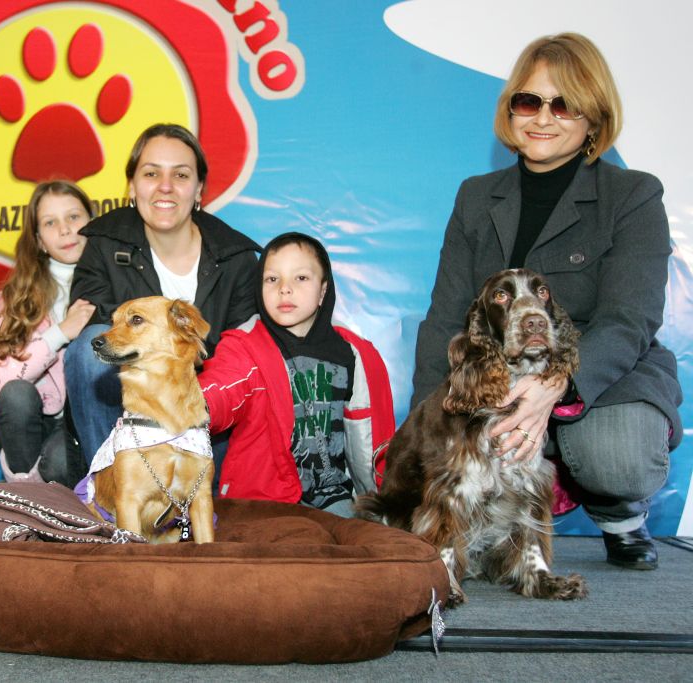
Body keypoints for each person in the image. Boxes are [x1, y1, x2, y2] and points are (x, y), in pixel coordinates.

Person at [412, 33, 682, 569]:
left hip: (599, 380)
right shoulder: (475, 195)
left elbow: (628, 318)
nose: (543, 117)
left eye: (564, 104)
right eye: (528, 101)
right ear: (511, 109)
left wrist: (553, 388)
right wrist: (423, 431)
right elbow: (446, 316)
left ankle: (619, 512)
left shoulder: (633, 196)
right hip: (495, 379)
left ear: (594, 119)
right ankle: (506, 518)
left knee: (614, 457)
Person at [65, 123, 260, 463]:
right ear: (132, 185)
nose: (165, 187)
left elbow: (243, 351)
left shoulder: (237, 258)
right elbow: (96, 329)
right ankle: (110, 488)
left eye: (181, 176)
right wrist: (173, 353)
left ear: (199, 189)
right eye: (152, 173)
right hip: (128, 413)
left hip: (205, 410)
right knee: (89, 346)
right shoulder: (103, 246)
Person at [198, 233, 395, 516]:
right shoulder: (245, 346)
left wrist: (383, 505)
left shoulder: (355, 354)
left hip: (333, 496)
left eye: (300, 278)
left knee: (360, 546)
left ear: (323, 291)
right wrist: (195, 404)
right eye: (272, 279)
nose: (284, 289)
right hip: (262, 500)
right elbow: (222, 387)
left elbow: (377, 443)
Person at [0, 180, 94, 486]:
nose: (65, 230)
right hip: (32, 427)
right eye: (50, 222)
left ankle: (41, 506)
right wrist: (59, 333)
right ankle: (27, 499)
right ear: (39, 240)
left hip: (86, 426)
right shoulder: (15, 298)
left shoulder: (114, 285)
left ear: (92, 223)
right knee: (15, 395)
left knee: (60, 458)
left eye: (74, 217)